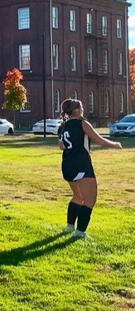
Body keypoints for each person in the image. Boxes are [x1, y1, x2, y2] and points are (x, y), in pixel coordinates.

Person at [57, 98, 122, 239]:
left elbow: (61, 146)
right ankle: (79, 233)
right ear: (76, 110)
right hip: (81, 164)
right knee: (90, 199)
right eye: (81, 106)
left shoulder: (63, 126)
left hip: (67, 164)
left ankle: (69, 227)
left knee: (78, 196)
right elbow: (98, 139)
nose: (83, 109)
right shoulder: (82, 123)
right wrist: (115, 144)